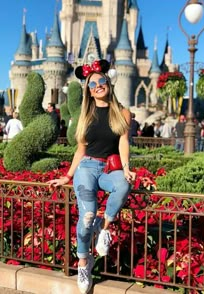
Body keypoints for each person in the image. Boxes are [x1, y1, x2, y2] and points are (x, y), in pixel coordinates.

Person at [47, 59, 136, 294]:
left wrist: (126, 167)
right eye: (92, 83)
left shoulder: (123, 113)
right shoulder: (85, 115)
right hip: (86, 168)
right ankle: (84, 262)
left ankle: (104, 226)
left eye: (101, 80)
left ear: (108, 81)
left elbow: (123, 142)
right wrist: (68, 175)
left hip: (108, 169)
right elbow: (81, 149)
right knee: (86, 216)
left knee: (123, 185)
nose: (97, 85)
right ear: (88, 89)